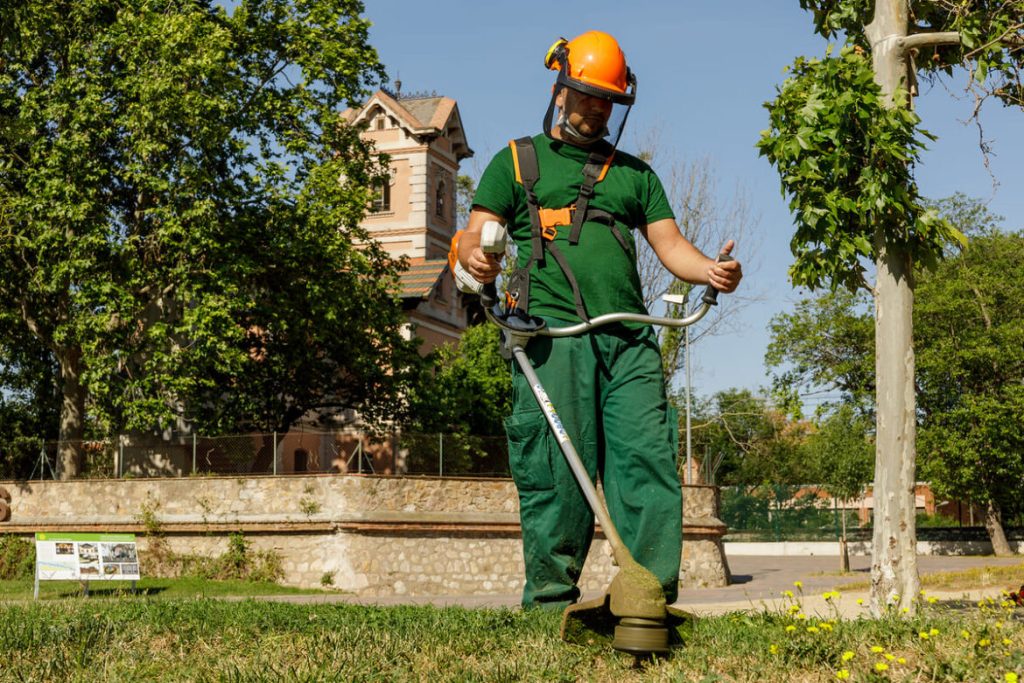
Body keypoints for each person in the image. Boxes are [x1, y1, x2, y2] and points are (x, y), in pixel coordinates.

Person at [457, 30, 742, 610]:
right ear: (560, 89)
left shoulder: (635, 175)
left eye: (607, 100)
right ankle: (550, 602)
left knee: (647, 464)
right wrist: (476, 255)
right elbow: (470, 236)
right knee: (557, 474)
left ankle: (648, 601)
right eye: (587, 95)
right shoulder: (516, 162)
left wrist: (711, 270)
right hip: (551, 340)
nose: (597, 108)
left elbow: (672, 248)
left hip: (629, 340)